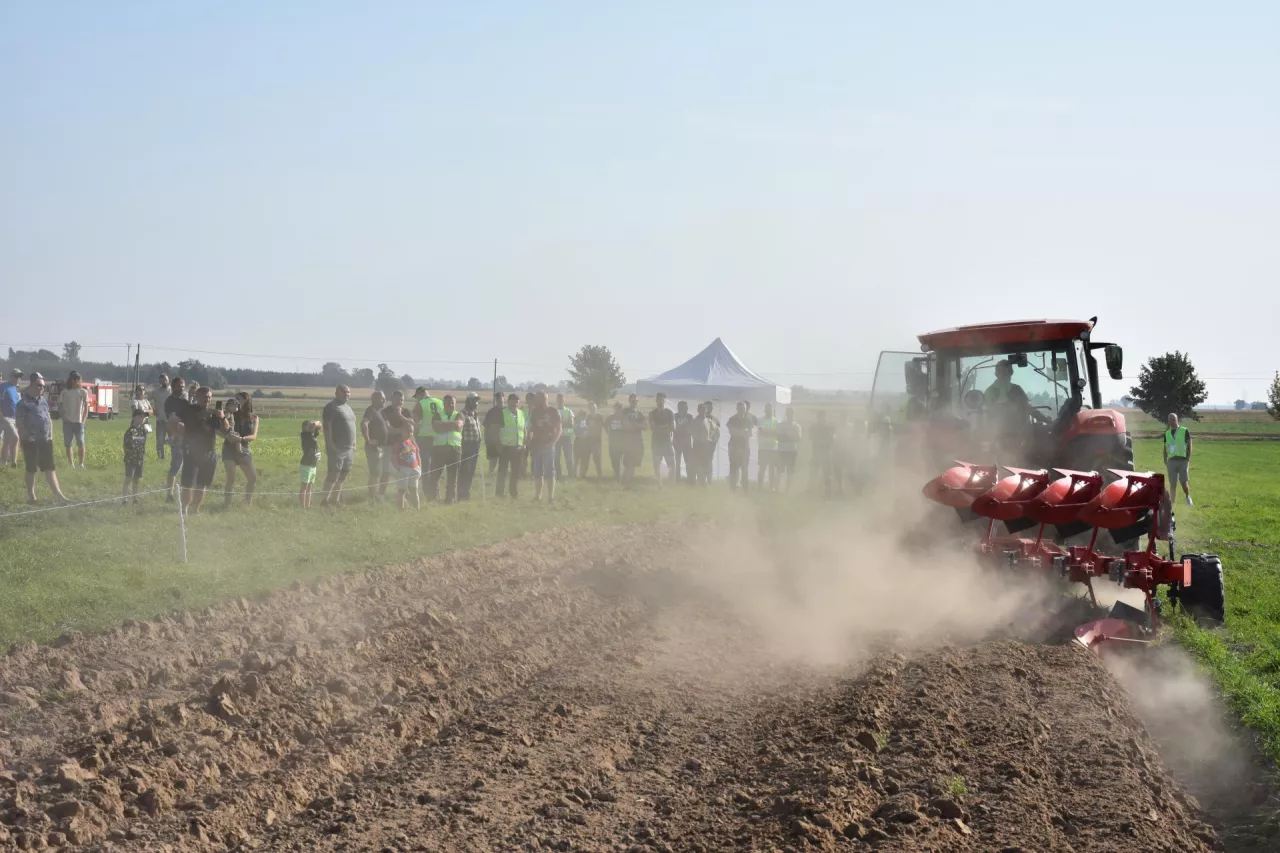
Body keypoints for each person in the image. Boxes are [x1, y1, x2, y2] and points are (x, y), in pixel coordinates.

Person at [168, 385, 229, 515]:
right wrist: (179, 434)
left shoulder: (214, 413)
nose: (206, 400)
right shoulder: (188, 410)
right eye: (204, 397)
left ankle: (196, 510)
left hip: (209, 452)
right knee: (188, 483)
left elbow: (226, 430)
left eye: (209, 397)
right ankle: (184, 510)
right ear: (197, 397)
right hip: (191, 451)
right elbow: (172, 421)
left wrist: (222, 417)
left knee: (202, 483)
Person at [15, 373, 68, 504]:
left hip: (45, 439)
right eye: (39, 385)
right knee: (31, 468)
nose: (42, 388)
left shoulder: (43, 400)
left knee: (50, 467)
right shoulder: (23, 403)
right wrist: (26, 436)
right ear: (32, 384)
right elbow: (19, 423)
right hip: (30, 440)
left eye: (44, 386)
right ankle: (31, 496)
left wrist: (50, 435)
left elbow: (48, 418)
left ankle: (58, 495)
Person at [320, 385, 357, 507]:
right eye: (345, 392)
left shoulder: (348, 407)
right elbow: (327, 427)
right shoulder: (331, 407)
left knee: (343, 474)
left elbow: (352, 425)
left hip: (349, 448)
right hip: (337, 447)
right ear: (337, 393)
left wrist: (354, 443)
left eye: (349, 392)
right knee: (333, 474)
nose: (347, 394)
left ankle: (335, 500)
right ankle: (324, 500)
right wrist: (330, 445)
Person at [221, 393, 258, 507]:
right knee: (231, 478)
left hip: (244, 449)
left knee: (252, 478)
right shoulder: (230, 415)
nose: (235, 400)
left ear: (246, 402)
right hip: (229, 449)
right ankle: (226, 505)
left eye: (239, 399)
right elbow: (223, 428)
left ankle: (247, 504)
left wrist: (241, 439)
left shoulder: (254, 418)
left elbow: (254, 436)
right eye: (235, 398)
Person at [526, 391, 562, 502]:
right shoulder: (535, 412)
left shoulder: (553, 411)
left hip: (548, 445)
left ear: (543, 400)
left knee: (550, 471)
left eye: (537, 399)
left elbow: (559, 429)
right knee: (537, 471)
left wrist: (552, 443)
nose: (535, 401)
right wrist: (529, 438)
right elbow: (532, 427)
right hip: (536, 445)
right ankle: (538, 496)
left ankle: (550, 497)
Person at [430, 394, 465, 503]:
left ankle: (449, 500)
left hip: (455, 449)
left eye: (452, 403)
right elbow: (437, 428)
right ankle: (433, 499)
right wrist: (452, 425)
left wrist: (443, 425)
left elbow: (459, 426)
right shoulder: (437, 415)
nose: (450, 405)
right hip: (439, 449)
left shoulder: (459, 415)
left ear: (455, 404)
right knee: (435, 475)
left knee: (452, 477)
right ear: (443, 404)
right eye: (447, 403)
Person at [385, 405, 422, 510]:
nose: (410, 433)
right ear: (402, 432)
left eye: (411, 432)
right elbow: (394, 457)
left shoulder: (413, 443)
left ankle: (417, 508)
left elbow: (417, 455)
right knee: (402, 491)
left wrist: (419, 467)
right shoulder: (398, 444)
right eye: (407, 431)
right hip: (403, 470)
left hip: (414, 469)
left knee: (414, 490)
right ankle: (400, 509)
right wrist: (399, 468)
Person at [413, 387, 445, 499]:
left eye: (416, 396)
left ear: (420, 393)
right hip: (438, 439)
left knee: (425, 467)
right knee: (436, 467)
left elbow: (416, 422)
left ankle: (427, 493)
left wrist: (414, 436)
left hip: (424, 438)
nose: (416, 399)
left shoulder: (420, 404)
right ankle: (436, 492)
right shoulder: (440, 402)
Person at [495, 393, 526, 499]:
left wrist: (524, 444)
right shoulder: (502, 413)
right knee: (503, 471)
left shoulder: (521, 413)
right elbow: (497, 431)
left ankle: (514, 493)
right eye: (513, 400)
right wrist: (498, 445)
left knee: (515, 472)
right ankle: (499, 493)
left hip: (518, 447)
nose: (515, 402)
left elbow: (524, 429)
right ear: (508, 402)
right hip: (506, 447)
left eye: (517, 400)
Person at [163, 377, 187, 501]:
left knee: (189, 468)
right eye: (179, 386)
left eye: (183, 386)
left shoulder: (186, 400)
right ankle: (170, 494)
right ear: (173, 387)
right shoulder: (170, 402)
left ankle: (185, 494)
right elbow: (172, 420)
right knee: (175, 467)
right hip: (177, 438)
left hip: (189, 437)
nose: (182, 388)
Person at [60, 371, 90, 469]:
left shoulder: (83, 392)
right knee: (68, 444)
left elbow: (86, 407)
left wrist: (83, 420)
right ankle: (71, 464)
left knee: (81, 443)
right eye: (73, 378)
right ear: (70, 380)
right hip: (67, 422)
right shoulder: (65, 392)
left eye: (77, 379)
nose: (75, 380)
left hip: (79, 422)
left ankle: (81, 463)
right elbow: (60, 405)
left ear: (79, 380)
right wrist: (64, 418)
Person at [361, 391, 388, 500]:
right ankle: (371, 496)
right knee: (375, 473)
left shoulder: (377, 411)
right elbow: (364, 423)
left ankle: (373, 494)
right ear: (375, 399)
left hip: (380, 447)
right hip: (373, 448)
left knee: (377, 472)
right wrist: (368, 440)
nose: (384, 401)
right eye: (382, 399)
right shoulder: (370, 411)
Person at [458, 392, 483, 501]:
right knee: (464, 472)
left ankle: (466, 493)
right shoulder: (463, 414)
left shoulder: (475, 415)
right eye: (475, 400)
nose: (477, 403)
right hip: (466, 447)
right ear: (468, 401)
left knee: (471, 471)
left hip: (475, 446)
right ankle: (461, 495)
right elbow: (459, 431)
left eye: (477, 401)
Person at [1164, 413, 1193, 506]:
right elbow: (1165, 448)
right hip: (1171, 461)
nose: (1171, 421)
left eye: (1173, 419)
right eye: (1170, 419)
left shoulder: (1184, 431)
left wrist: (1188, 459)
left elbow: (1189, 445)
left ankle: (1188, 496)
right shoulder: (1167, 433)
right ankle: (1172, 504)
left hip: (1182, 460)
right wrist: (1165, 460)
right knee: (1172, 484)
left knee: (1183, 482)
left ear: (1177, 420)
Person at [648, 393, 676, 489]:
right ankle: (659, 483)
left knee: (671, 463)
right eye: (659, 399)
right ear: (656, 400)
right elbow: (653, 428)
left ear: (665, 401)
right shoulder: (652, 413)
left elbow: (672, 427)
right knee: (657, 463)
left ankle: (671, 483)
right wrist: (666, 426)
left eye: (663, 400)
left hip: (667, 441)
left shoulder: (669, 413)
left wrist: (659, 427)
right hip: (656, 442)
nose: (661, 401)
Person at [121, 411, 149, 505]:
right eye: (140, 417)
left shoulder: (143, 430)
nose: (142, 419)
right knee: (128, 478)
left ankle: (135, 498)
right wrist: (130, 454)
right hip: (131, 459)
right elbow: (125, 446)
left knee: (136, 479)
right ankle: (125, 499)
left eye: (143, 417)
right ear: (135, 418)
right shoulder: (130, 431)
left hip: (139, 459)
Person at [726, 401, 753, 491]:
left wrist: (740, 432)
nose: (742, 410)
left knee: (745, 468)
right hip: (734, 446)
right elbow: (731, 431)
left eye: (744, 409)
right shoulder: (732, 419)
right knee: (734, 467)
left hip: (745, 447)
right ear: (737, 409)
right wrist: (742, 432)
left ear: (746, 410)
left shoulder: (748, 420)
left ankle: (745, 488)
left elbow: (749, 433)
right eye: (740, 408)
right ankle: (733, 488)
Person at [620, 394, 646, 487]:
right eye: (632, 401)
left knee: (634, 464)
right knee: (628, 464)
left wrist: (634, 424)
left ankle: (627, 483)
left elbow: (645, 426)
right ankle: (625, 483)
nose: (634, 403)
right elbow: (626, 425)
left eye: (636, 401)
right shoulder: (625, 412)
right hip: (628, 441)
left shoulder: (640, 413)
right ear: (629, 401)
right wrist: (638, 425)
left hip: (638, 442)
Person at [576, 401, 605, 479]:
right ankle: (582, 476)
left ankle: (600, 476)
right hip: (587, 441)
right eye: (590, 407)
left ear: (596, 407)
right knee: (585, 460)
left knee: (597, 460)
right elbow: (582, 427)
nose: (592, 409)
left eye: (593, 407)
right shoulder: (587, 417)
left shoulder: (600, 417)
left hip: (597, 441)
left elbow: (604, 426)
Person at [810, 410, 836, 496]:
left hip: (826, 452)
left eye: (824, 417)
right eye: (821, 417)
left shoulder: (829, 427)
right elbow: (811, 438)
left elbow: (832, 439)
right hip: (817, 452)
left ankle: (828, 491)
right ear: (818, 418)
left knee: (827, 473)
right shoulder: (814, 427)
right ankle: (811, 490)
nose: (823, 419)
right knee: (814, 471)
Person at [776, 407, 802, 491]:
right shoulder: (780, 425)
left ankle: (787, 490)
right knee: (779, 470)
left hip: (792, 451)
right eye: (789, 413)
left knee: (790, 471)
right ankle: (777, 488)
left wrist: (786, 436)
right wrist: (789, 437)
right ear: (786, 414)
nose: (790, 415)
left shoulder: (797, 426)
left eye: (791, 413)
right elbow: (778, 437)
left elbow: (798, 438)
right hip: (782, 450)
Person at [1, 368, 22, 468]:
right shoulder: (4, 387)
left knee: (7, 441)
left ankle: (7, 463)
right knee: (16, 437)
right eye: (16, 376)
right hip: (5, 418)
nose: (18, 378)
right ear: (11, 376)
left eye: (19, 377)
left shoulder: (15, 388)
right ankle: (11, 462)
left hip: (15, 418)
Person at [299, 420, 322, 508]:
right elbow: (310, 430)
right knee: (304, 486)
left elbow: (320, 424)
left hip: (313, 464)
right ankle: (302, 506)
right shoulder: (304, 435)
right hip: (306, 464)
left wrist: (315, 423)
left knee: (310, 487)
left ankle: (307, 506)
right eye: (309, 426)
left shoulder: (313, 434)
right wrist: (312, 426)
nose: (312, 428)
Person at [756, 403, 779, 490]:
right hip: (763, 448)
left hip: (773, 448)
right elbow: (762, 431)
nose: (769, 411)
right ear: (765, 410)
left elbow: (777, 433)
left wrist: (767, 432)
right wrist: (772, 432)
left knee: (772, 470)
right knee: (762, 469)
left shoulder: (776, 421)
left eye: (770, 410)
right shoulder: (761, 420)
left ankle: (771, 487)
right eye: (767, 409)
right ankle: (759, 487)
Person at [690, 403, 713, 485]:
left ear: (706, 410)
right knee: (697, 463)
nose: (702, 411)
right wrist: (700, 440)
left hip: (706, 446)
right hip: (698, 445)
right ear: (698, 410)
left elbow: (714, 431)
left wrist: (711, 439)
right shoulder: (694, 421)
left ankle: (704, 480)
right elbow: (692, 433)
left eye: (704, 410)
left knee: (706, 464)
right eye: (701, 410)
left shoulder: (709, 421)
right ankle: (698, 481)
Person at [672, 401, 694, 483]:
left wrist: (682, 428)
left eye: (686, 407)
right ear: (679, 408)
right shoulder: (675, 416)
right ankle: (677, 478)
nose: (686, 409)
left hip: (687, 442)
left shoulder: (690, 417)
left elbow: (691, 429)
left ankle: (690, 478)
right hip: (677, 442)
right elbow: (673, 428)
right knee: (677, 461)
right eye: (684, 407)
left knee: (688, 461)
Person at [554, 393, 575, 480]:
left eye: (562, 400)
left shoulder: (569, 411)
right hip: (556, 437)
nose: (560, 401)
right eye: (559, 400)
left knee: (569, 457)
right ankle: (558, 474)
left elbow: (571, 424)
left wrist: (558, 424)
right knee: (556, 457)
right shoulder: (553, 411)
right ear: (557, 400)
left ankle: (571, 474)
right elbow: (551, 424)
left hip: (566, 437)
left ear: (564, 400)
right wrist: (564, 422)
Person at [484, 392, 505, 474]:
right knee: (493, 459)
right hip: (492, 440)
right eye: (497, 399)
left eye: (501, 398)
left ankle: (501, 473)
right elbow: (486, 426)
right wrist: (486, 438)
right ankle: (491, 473)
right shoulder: (491, 412)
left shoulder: (507, 411)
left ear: (504, 398)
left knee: (503, 459)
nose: (499, 400)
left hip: (504, 439)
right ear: (495, 400)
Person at [605, 401, 626, 482]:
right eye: (616, 408)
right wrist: (608, 433)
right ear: (614, 409)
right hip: (613, 442)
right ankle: (617, 474)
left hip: (622, 442)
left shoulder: (624, 417)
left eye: (619, 408)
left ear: (621, 409)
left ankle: (623, 475)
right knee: (614, 459)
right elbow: (605, 425)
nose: (617, 410)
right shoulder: (610, 417)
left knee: (623, 459)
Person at [152, 374, 172, 459]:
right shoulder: (156, 392)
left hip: (171, 421)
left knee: (173, 440)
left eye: (166, 380)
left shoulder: (173, 391)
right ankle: (160, 458)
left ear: (168, 380)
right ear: (159, 381)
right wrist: (152, 409)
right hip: (160, 420)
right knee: (159, 441)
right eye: (162, 380)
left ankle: (174, 457)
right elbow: (146, 399)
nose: (164, 382)